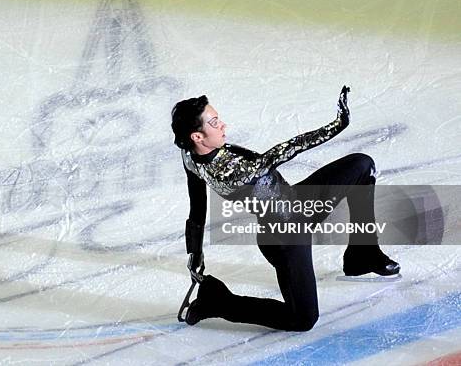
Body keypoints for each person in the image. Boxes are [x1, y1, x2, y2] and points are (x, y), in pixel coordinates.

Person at [170, 87, 400, 331]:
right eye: (215, 123)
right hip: (285, 236)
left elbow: (196, 210)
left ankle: (363, 254)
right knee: (303, 319)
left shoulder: (189, 156)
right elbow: (289, 149)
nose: (223, 126)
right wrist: (338, 124)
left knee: (362, 165)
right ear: (197, 136)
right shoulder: (232, 173)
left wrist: (195, 254)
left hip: (299, 202)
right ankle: (219, 302)